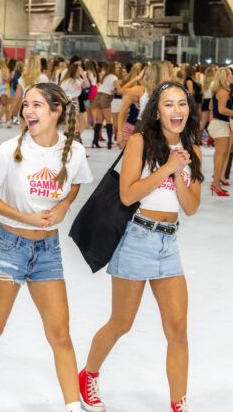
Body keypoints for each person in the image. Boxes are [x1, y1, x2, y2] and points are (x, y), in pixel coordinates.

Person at [0, 83, 93, 412]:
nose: (28, 111)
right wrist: (25, 218)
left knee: (60, 333)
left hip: (48, 252)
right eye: (25, 105)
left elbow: (75, 183)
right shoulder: (10, 149)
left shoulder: (74, 151)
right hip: (9, 248)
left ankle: (72, 407)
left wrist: (62, 208)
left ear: (56, 111)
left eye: (36, 105)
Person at [79, 81, 202, 412]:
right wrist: (168, 167)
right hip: (136, 239)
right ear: (156, 110)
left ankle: (179, 403)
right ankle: (88, 374)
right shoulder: (140, 142)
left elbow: (190, 208)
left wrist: (180, 174)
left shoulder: (194, 150)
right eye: (168, 104)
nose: (176, 111)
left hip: (169, 243)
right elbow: (127, 195)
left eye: (181, 104)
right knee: (121, 322)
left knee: (178, 330)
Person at [206, 65, 233, 197]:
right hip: (220, 125)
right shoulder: (224, 91)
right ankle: (215, 184)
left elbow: (210, 106)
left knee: (220, 155)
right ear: (225, 77)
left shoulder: (218, 90)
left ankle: (216, 182)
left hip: (218, 124)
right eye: (231, 75)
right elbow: (222, 110)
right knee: (221, 155)